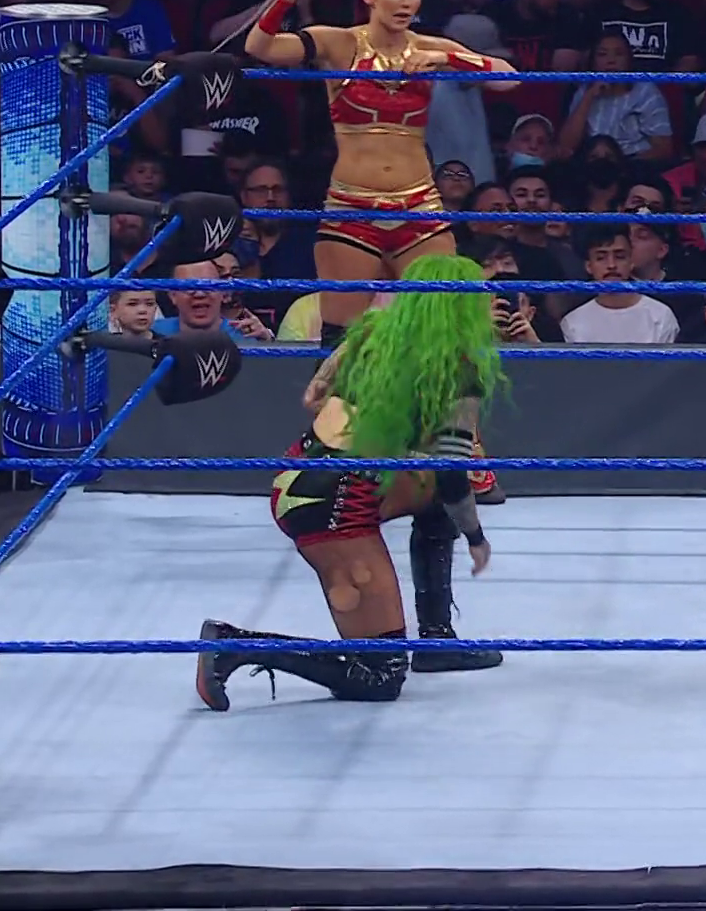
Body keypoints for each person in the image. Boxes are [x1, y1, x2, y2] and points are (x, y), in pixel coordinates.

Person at [245, 0, 517, 504]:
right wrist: (282, 2)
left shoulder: (431, 47)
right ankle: (330, 460)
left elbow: (508, 79)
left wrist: (448, 62)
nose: (406, 3)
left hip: (419, 205)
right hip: (352, 207)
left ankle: (464, 455)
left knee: (450, 331)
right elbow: (261, 49)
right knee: (345, 342)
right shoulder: (339, 43)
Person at [196, 256, 508, 711]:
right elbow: (452, 474)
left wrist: (383, 422)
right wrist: (476, 538)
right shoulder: (458, 371)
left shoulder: (370, 334)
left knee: (431, 497)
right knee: (380, 674)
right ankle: (233, 645)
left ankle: (437, 638)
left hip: (298, 474)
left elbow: (313, 398)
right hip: (337, 508)